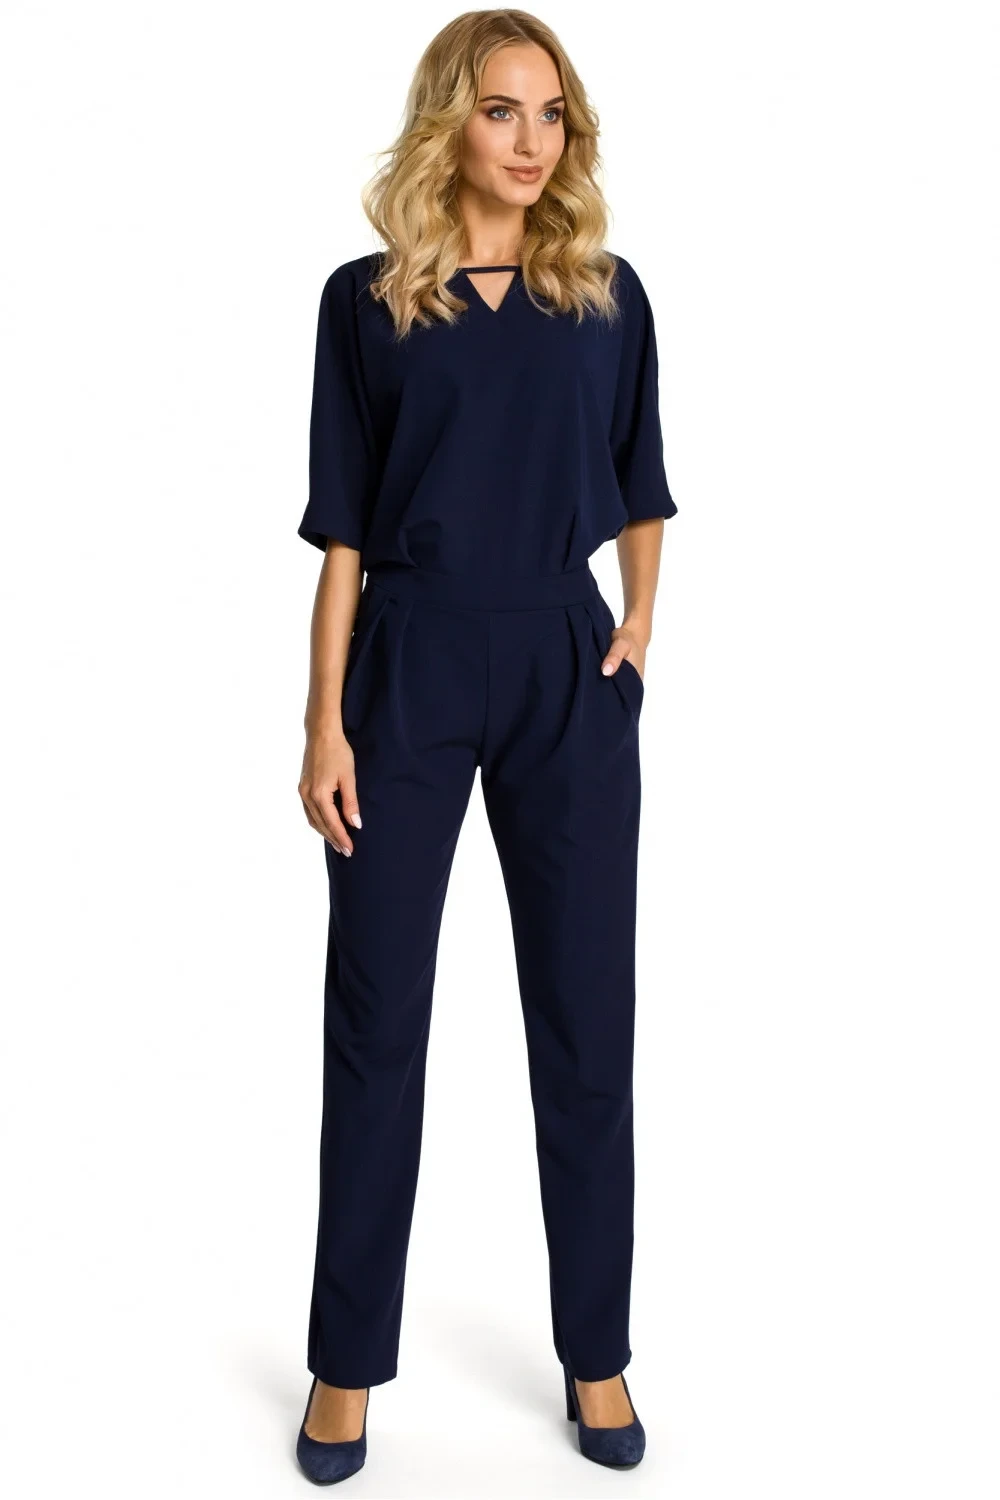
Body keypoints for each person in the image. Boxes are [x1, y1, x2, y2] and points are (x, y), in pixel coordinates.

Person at [294, 9, 677, 1483]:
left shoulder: (606, 297)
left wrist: (638, 624)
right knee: (374, 1017)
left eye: (552, 113)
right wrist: (322, 718)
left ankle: (599, 1351)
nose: (531, 139)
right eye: (503, 109)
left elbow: (643, 479)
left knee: (587, 1021)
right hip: (408, 659)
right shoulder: (366, 302)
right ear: (449, 120)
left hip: (564, 665)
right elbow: (341, 529)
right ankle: (345, 1362)